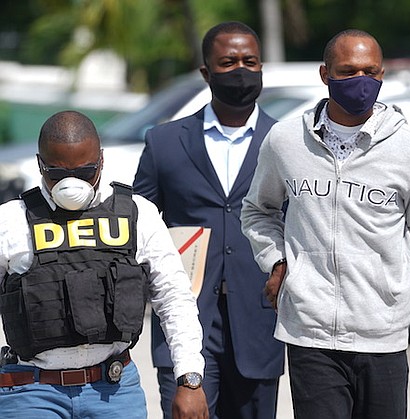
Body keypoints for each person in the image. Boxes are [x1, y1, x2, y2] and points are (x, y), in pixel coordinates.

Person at [240, 29, 410, 419]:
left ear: (382, 75)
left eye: (370, 72)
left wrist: (387, 285)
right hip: (309, 332)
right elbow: (258, 210)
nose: (360, 81)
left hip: (382, 336)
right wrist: (278, 263)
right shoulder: (285, 141)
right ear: (325, 74)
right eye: (348, 71)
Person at [0, 110, 207, 418]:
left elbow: (174, 297)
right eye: (57, 173)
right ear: (40, 163)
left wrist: (189, 378)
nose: (71, 183)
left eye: (84, 171)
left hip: (113, 388)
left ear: (101, 160)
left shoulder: (138, 214)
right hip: (31, 391)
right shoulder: (11, 221)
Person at [133, 21, 284, 419]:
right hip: (184, 322)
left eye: (250, 61)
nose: (240, 70)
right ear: (206, 72)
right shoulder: (164, 143)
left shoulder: (286, 143)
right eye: (228, 61)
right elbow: (138, 227)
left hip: (259, 322)